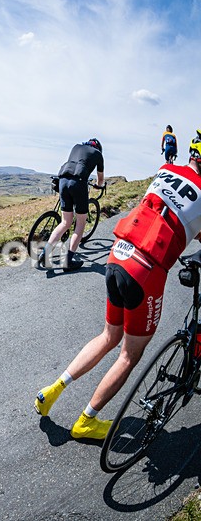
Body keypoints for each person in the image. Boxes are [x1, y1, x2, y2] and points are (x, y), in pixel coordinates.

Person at [35, 140, 201, 440]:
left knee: (109, 335)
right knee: (129, 355)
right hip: (145, 270)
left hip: (118, 254)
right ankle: (87, 420)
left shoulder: (166, 170)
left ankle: (51, 391)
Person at [37, 138, 105, 271]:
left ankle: (45, 253)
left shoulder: (76, 147)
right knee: (80, 224)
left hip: (62, 180)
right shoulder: (98, 154)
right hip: (78, 183)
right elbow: (100, 179)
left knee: (65, 222)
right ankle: (68, 261)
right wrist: (98, 185)